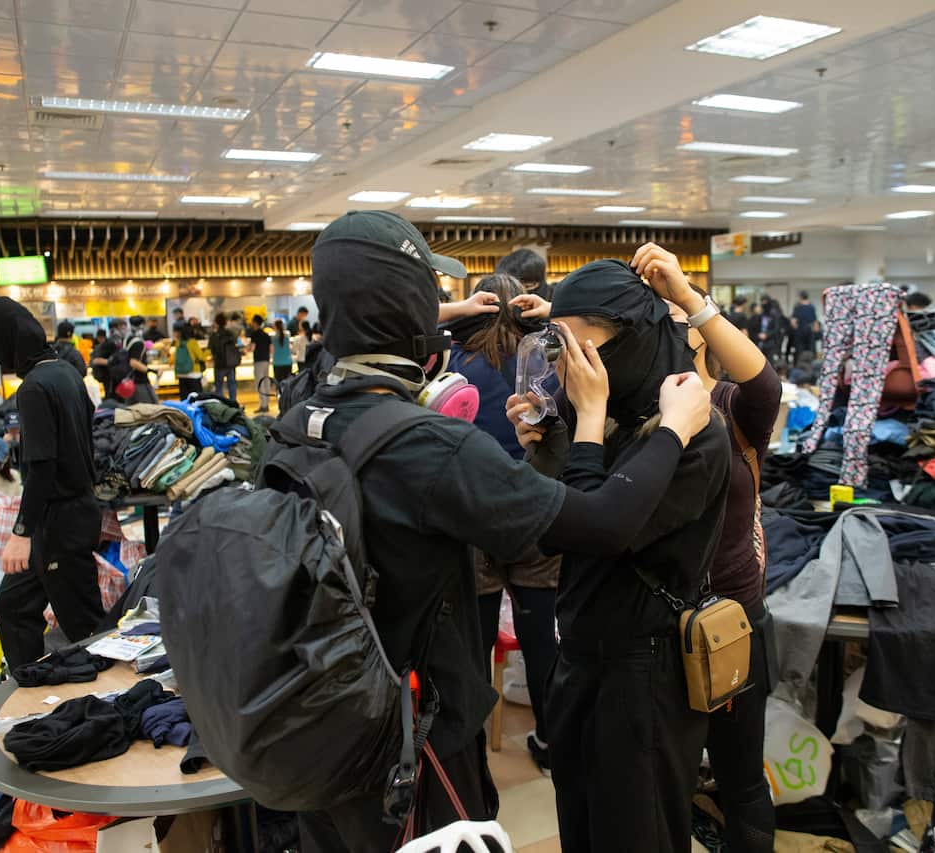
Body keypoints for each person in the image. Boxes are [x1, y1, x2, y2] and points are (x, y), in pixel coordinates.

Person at [291, 211, 713, 852]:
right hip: (417, 732)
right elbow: (600, 523)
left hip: (335, 712)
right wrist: (652, 425)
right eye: (428, 292)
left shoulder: (304, 410)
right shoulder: (431, 446)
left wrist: (432, 319)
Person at [506, 258, 731, 853]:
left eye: (584, 347)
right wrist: (545, 443)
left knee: (638, 831)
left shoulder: (695, 431)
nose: (569, 365)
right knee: (581, 819)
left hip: (645, 673)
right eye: (561, 348)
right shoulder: (613, 419)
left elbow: (597, 529)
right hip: (581, 652)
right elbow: (548, 531)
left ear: (631, 337)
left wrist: (583, 426)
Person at [635, 244, 781, 853]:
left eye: (683, 331)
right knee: (661, 787)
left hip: (734, 621)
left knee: (740, 780)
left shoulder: (730, 406)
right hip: (658, 630)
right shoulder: (637, 414)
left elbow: (763, 381)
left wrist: (689, 298)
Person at [444, 273, 560, 776]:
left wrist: (453, 309)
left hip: (474, 515)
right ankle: (555, 744)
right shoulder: (546, 362)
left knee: (477, 643)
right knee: (543, 641)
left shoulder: (453, 365)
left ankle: (467, 757)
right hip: (538, 511)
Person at [0, 297, 103, 671]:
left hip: (59, 522)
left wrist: (20, 533)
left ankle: (116, 699)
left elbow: (42, 467)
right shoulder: (66, 373)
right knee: (12, 606)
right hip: (69, 514)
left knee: (86, 627)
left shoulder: (34, 388)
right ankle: (29, 682)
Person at [91, 320, 128, 397]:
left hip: (114, 376)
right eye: (122, 327)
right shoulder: (111, 342)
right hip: (110, 377)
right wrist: (110, 362)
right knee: (113, 396)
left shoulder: (116, 341)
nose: (125, 329)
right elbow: (96, 360)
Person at [208, 313, 241, 400]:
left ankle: (221, 406)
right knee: (232, 385)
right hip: (230, 363)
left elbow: (211, 349)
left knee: (219, 387)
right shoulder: (230, 334)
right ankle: (233, 404)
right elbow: (235, 344)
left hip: (219, 364)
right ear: (225, 322)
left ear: (216, 323)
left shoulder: (214, 336)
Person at [173, 323, 207, 399]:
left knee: (184, 399)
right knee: (196, 399)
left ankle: (184, 411)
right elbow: (201, 357)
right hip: (193, 374)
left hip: (181, 374)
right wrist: (208, 351)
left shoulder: (178, 342)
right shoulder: (192, 342)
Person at [248, 314, 273, 413]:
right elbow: (271, 349)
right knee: (266, 382)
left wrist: (247, 349)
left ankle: (263, 405)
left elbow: (252, 348)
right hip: (266, 360)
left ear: (255, 322)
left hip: (258, 360)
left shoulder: (254, 334)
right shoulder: (266, 334)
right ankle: (267, 403)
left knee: (260, 382)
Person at [125, 335, 159, 404]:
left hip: (130, 383)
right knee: (152, 406)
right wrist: (152, 371)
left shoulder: (129, 340)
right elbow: (133, 362)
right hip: (139, 383)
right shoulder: (139, 344)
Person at [790, 291, 819, 366]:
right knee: (810, 349)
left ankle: (800, 365)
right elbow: (815, 322)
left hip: (801, 330)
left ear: (800, 297)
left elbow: (793, 321)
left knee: (799, 349)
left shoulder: (797, 307)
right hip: (809, 330)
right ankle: (811, 365)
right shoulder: (811, 307)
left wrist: (796, 328)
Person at [271, 318, 293, 386]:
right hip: (287, 361)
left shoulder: (273, 337)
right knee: (288, 383)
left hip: (277, 362)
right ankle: (288, 396)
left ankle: (280, 395)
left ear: (275, 326)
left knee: (279, 383)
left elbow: (271, 349)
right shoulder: (288, 334)